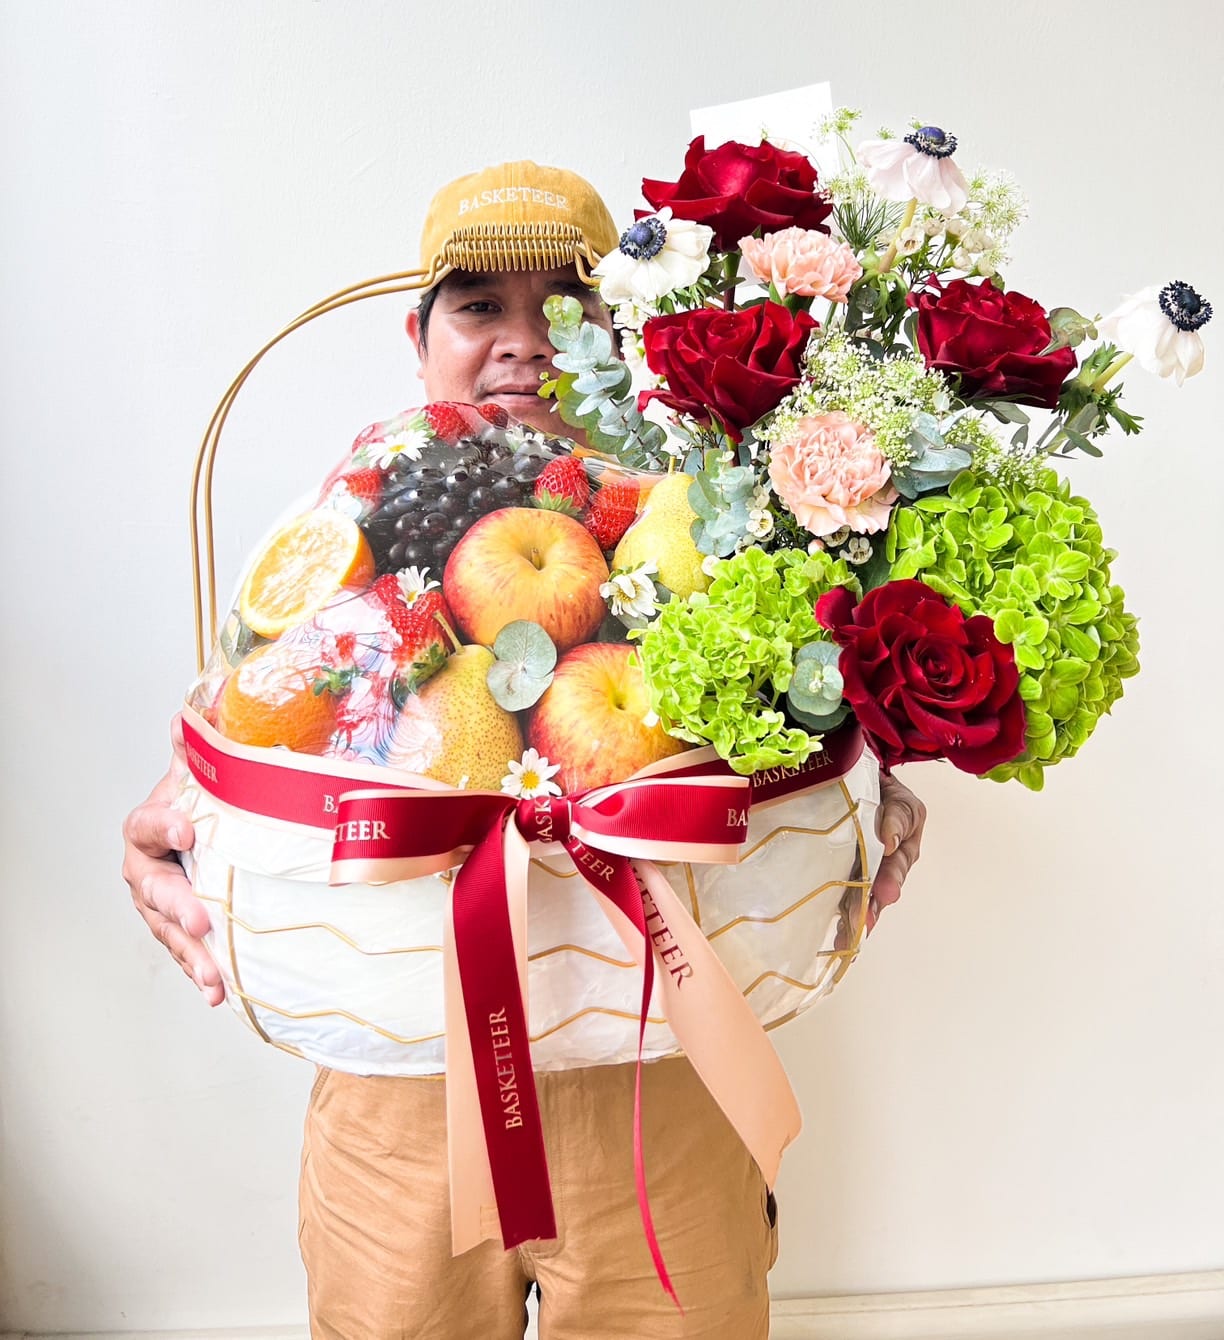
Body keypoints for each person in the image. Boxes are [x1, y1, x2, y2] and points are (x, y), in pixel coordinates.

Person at [122, 160, 927, 1339]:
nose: (523, 342)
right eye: (478, 305)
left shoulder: (718, 516)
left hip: (672, 1071)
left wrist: (873, 790)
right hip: (403, 1086)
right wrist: (184, 806)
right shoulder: (358, 524)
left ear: (628, 331)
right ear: (419, 334)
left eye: (567, 307)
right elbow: (265, 714)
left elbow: (802, 731)